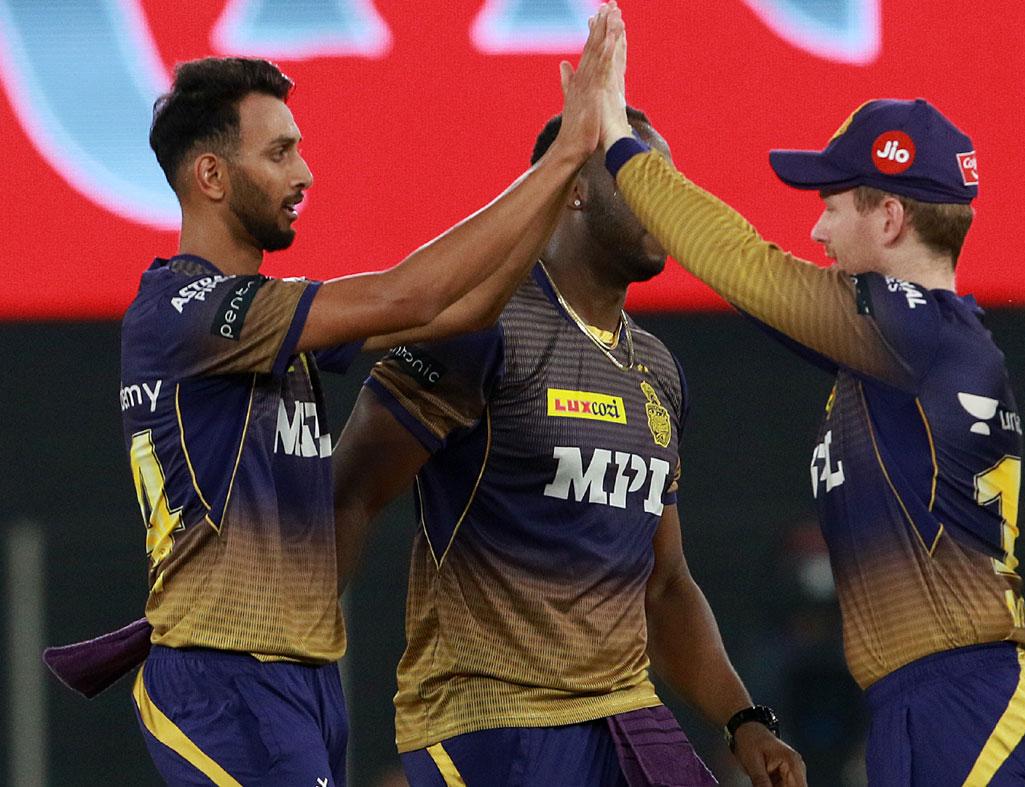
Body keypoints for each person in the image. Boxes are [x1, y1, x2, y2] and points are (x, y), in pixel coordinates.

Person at [44, 6, 626, 785]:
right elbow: (405, 297)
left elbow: (464, 308)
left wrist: (565, 184)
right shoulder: (183, 310)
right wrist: (561, 160)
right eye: (280, 152)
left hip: (302, 675)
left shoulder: (263, 311)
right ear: (211, 176)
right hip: (224, 675)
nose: (305, 173)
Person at [594, 42, 1025, 785]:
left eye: (831, 206)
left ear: (889, 216)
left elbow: (742, 262)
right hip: (934, 698)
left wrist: (619, 143)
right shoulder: (907, 345)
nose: (816, 231)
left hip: (964, 702)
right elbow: (754, 286)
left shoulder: (911, 328)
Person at [332, 108, 807, 787]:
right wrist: (291, 668)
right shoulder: (481, 326)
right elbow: (346, 493)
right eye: (641, 176)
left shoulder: (659, 370)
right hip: (489, 717)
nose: (665, 200)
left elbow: (665, 582)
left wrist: (744, 720)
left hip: (624, 712)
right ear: (576, 187)